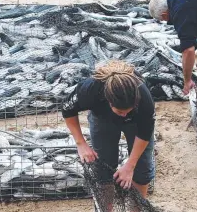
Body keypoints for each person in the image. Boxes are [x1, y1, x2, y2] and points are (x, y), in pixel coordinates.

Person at [62, 60, 155, 197]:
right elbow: (67, 110)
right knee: (103, 168)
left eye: (128, 111)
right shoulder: (91, 89)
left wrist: (130, 166)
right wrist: (81, 143)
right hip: (102, 119)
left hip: (136, 123)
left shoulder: (144, 97)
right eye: (120, 112)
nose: (124, 115)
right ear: (109, 101)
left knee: (142, 169)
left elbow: (145, 133)